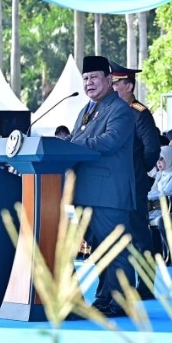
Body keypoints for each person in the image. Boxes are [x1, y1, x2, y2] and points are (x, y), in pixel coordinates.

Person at [68, 55, 137, 318]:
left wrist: (71, 145)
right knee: (99, 250)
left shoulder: (120, 109)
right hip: (86, 192)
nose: (89, 82)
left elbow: (110, 141)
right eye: (85, 78)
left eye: (94, 77)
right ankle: (105, 296)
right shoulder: (86, 110)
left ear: (109, 80)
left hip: (109, 193)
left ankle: (122, 301)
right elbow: (75, 139)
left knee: (115, 248)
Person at [109, 61, 161, 298]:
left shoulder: (139, 112)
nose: (112, 88)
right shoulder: (112, 111)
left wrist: (138, 172)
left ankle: (147, 285)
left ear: (129, 86)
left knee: (139, 233)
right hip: (115, 183)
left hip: (133, 183)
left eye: (115, 84)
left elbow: (152, 149)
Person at [146, 146, 172, 220]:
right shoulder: (160, 174)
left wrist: (147, 196)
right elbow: (153, 190)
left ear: (169, 157)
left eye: (161, 158)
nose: (158, 162)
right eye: (157, 159)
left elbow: (166, 193)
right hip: (153, 208)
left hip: (166, 210)